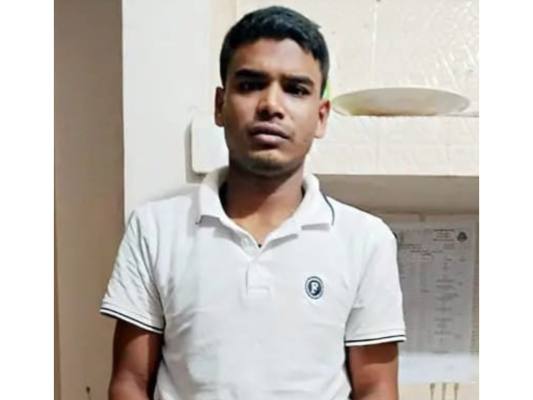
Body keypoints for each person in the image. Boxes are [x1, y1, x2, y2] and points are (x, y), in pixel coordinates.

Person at [101, 6, 405, 400]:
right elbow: (129, 382)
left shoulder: (366, 240)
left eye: (296, 89)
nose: (271, 105)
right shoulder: (155, 229)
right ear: (219, 105)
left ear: (321, 116)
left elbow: (376, 388)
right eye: (250, 85)